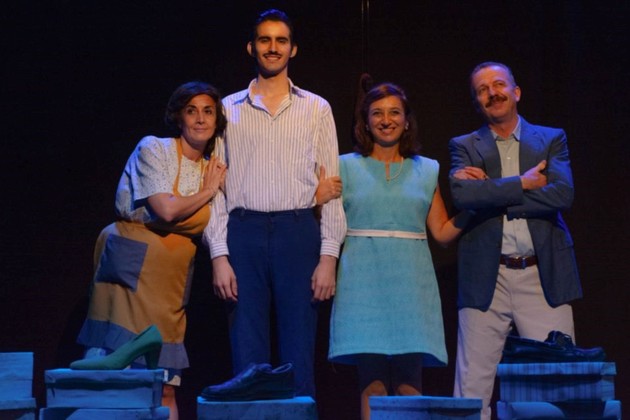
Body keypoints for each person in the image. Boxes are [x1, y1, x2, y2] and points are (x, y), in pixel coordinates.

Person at [204, 9, 346, 398]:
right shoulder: (227, 109)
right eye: (264, 40)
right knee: (246, 348)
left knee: (299, 346)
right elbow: (216, 189)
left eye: (281, 40)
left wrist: (328, 257)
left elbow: (331, 189)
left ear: (293, 49)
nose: (273, 47)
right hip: (243, 231)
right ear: (251, 48)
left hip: (297, 231)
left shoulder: (316, 108)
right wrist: (218, 255)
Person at [75, 81, 228, 419]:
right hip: (128, 271)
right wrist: (207, 192)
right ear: (178, 117)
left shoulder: (213, 168)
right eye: (191, 111)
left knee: (165, 383)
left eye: (208, 112)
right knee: (112, 374)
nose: (200, 119)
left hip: (169, 282)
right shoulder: (154, 149)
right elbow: (166, 210)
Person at [449, 61, 582, 419]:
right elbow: (462, 196)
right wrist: (523, 183)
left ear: (516, 91)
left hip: (542, 274)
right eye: (482, 90)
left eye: (498, 84)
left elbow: (562, 195)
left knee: (556, 382)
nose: (492, 93)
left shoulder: (550, 139)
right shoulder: (464, 146)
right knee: (472, 388)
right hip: (486, 278)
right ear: (477, 102)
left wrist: (490, 192)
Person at [328, 81, 468, 420]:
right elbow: (327, 222)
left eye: (394, 112)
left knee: (409, 384)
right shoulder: (344, 166)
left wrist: (478, 204)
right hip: (362, 284)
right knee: (372, 385)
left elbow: (442, 232)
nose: (386, 120)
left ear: (407, 121)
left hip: (411, 286)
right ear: (365, 122)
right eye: (377, 113)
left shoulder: (426, 169)